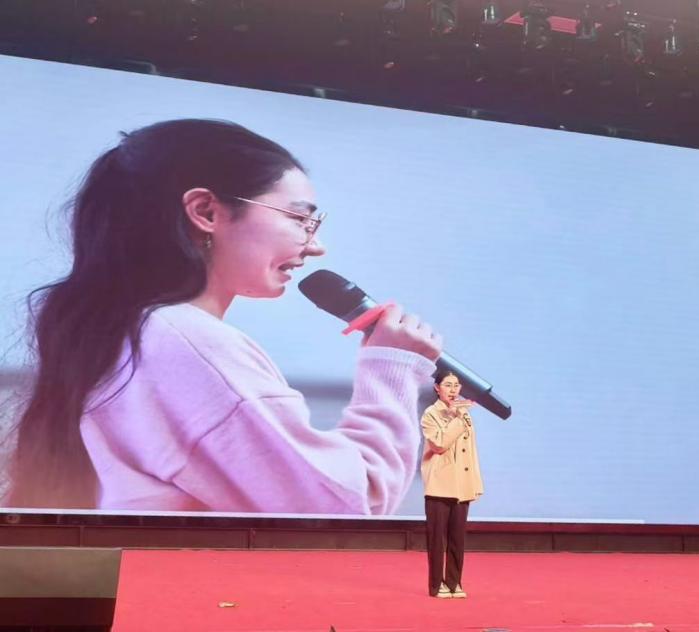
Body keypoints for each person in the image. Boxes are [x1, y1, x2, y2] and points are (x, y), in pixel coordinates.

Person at [4, 118, 442, 513]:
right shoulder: (183, 341)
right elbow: (339, 507)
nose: (315, 246)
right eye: (299, 219)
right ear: (206, 212)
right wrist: (391, 370)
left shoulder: (127, 335)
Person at [420, 370, 483, 599]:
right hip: (440, 484)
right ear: (437, 388)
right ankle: (437, 585)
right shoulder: (431, 413)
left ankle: (454, 582)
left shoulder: (463, 414)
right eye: (447, 385)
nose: (453, 390)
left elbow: (471, 451)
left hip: (462, 485)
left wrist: (475, 481)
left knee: (458, 538)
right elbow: (439, 444)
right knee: (437, 539)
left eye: (456, 385)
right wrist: (457, 418)